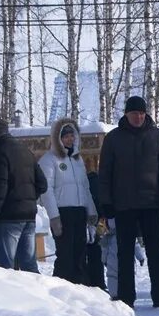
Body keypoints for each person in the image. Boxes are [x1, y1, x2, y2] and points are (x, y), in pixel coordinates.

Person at [98, 96, 159, 308]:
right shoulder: (113, 139)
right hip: (124, 205)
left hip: (152, 204)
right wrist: (105, 203)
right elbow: (104, 173)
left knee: (156, 252)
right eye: (134, 113)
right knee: (124, 253)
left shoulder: (158, 137)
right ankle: (125, 298)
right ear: (126, 114)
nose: (138, 117)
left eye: (142, 113)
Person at [0, 117, 47, 271]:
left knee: (5, 267)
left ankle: (8, 295)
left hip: (8, 217)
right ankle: (37, 294)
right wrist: (28, 198)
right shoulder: (25, 150)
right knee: (29, 265)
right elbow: (42, 184)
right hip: (29, 216)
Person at [39, 118, 97, 284]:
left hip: (79, 211)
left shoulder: (78, 160)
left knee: (80, 253)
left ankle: (80, 286)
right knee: (65, 254)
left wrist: (91, 211)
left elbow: (85, 188)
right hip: (63, 213)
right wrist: (54, 217)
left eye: (72, 136)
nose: (70, 139)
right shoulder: (49, 160)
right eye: (66, 136)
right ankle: (61, 286)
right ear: (58, 138)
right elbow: (46, 190)